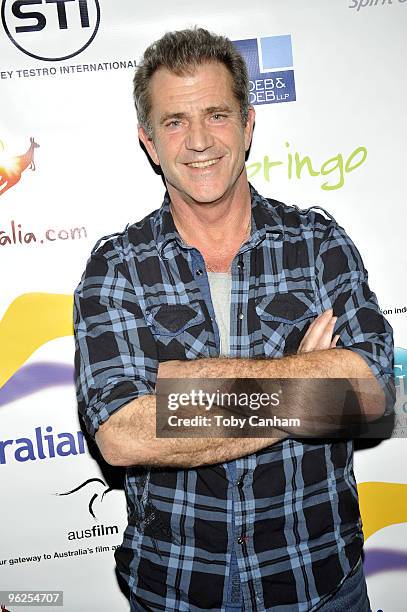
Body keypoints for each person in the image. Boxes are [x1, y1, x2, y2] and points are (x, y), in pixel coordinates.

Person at [73, 28, 394, 612]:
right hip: (175, 590)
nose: (198, 141)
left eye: (217, 115)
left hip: (320, 583)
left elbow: (372, 389)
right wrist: (303, 379)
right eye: (174, 121)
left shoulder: (317, 243)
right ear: (148, 141)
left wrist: (181, 393)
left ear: (248, 125)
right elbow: (121, 432)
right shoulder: (116, 266)